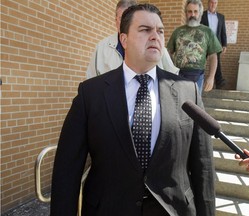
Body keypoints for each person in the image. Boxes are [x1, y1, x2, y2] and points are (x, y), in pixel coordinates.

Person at [50, 3, 215, 216]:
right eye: (145, 30)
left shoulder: (188, 91)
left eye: (160, 31)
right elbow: (67, 169)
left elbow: (203, 166)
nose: (155, 36)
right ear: (124, 39)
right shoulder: (91, 93)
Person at [86, 0, 179, 79]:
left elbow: (173, 76)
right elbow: (91, 81)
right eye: (122, 18)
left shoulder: (157, 47)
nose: (125, 23)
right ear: (115, 20)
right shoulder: (102, 47)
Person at [167, 0, 222, 95]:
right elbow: (168, 52)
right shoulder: (178, 31)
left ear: (200, 13)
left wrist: (211, 77)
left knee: (194, 105)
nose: (192, 14)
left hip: (197, 76)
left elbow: (213, 56)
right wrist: (172, 68)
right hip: (178, 75)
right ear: (186, 13)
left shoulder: (207, 32)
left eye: (195, 11)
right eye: (189, 11)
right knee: (177, 103)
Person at [201, 0, 227, 89]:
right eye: (212, 2)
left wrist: (224, 44)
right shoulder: (202, 14)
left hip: (216, 43)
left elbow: (223, 31)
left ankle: (219, 82)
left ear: (217, 4)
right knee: (201, 61)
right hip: (203, 42)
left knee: (217, 62)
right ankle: (200, 79)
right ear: (208, 3)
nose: (213, 4)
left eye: (215, 3)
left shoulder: (221, 17)